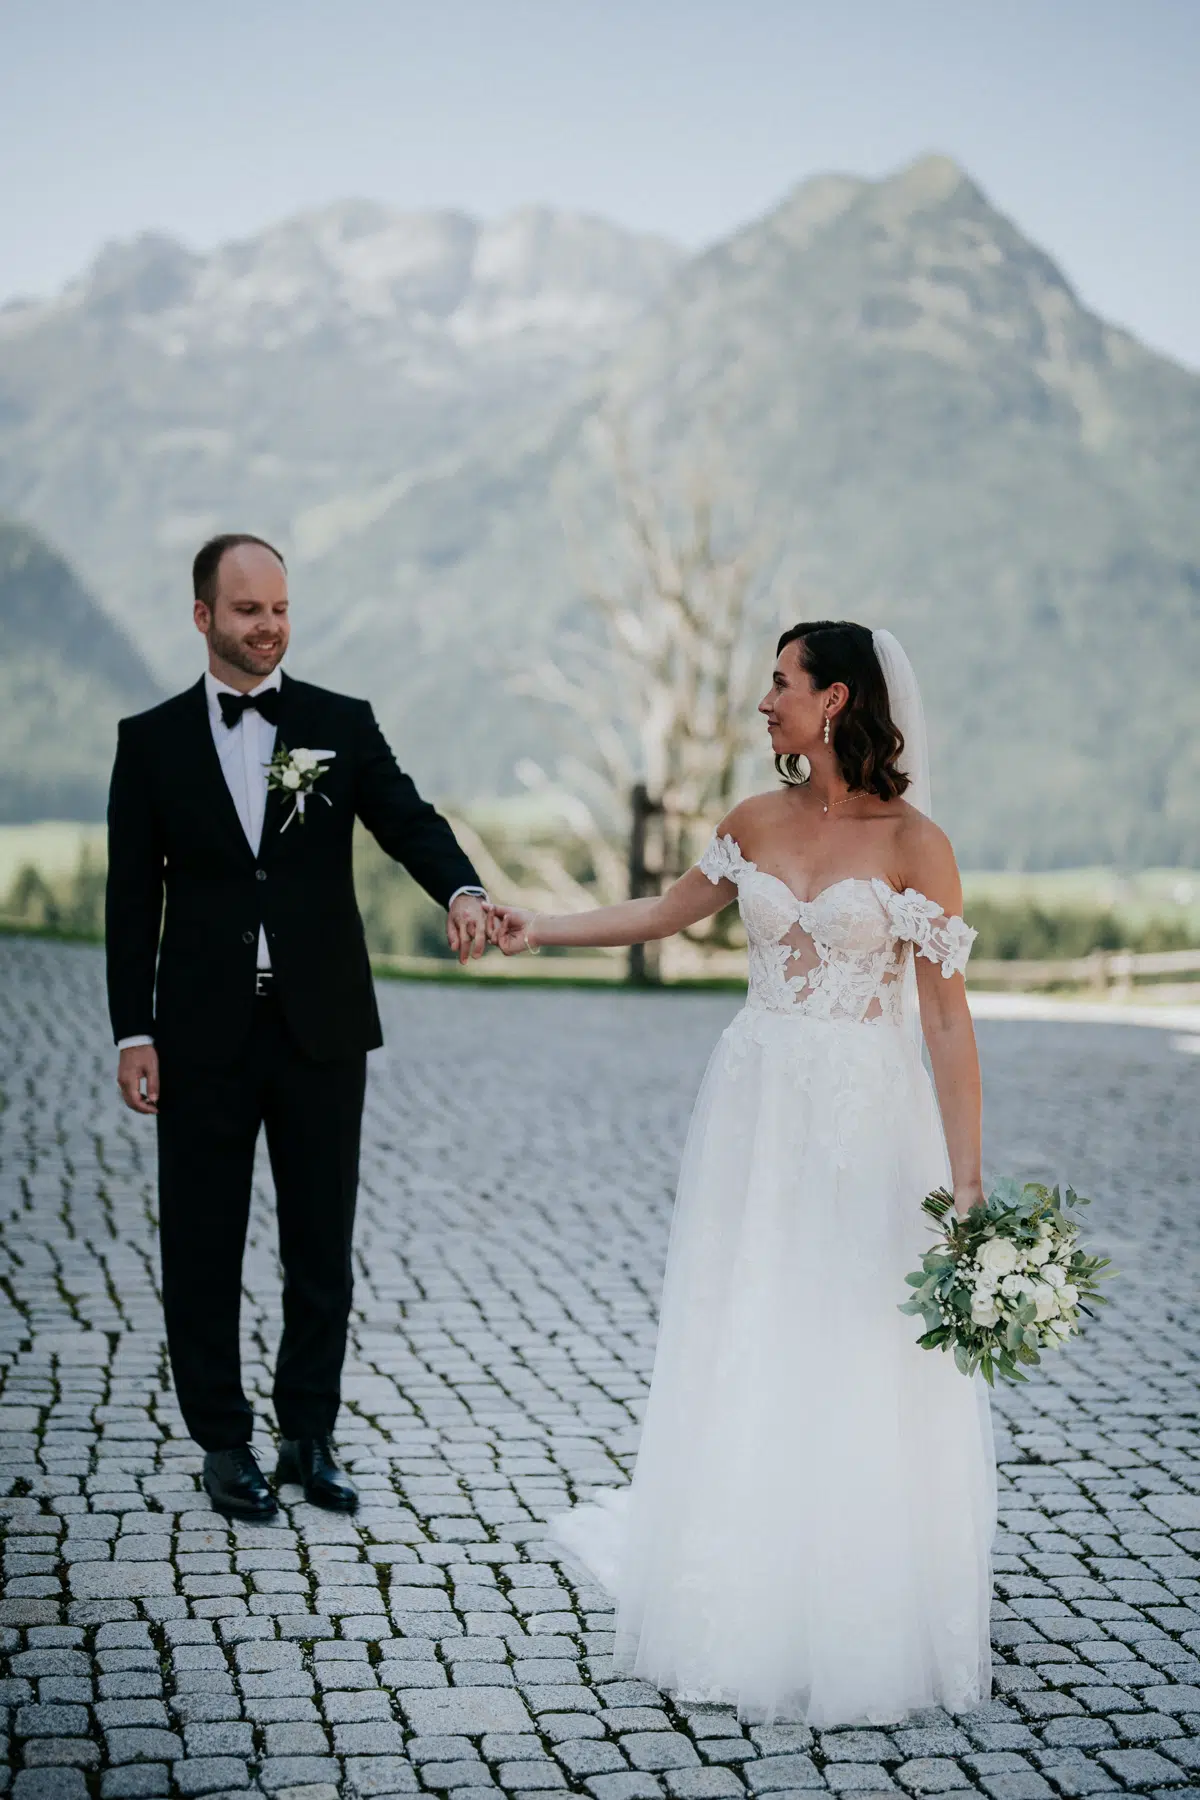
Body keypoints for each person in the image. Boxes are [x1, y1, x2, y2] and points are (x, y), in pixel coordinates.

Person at [486, 620, 996, 1727]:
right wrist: (540, 928)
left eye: (781, 683)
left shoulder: (919, 845)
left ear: (836, 699)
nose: (764, 702)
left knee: (856, 1341)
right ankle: (741, 1600)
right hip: (756, 1111)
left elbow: (949, 1028)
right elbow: (665, 914)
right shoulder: (752, 821)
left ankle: (859, 1608)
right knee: (751, 1322)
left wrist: (967, 1184)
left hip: (870, 1117)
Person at [106, 534, 489, 1520]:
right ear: (203, 618)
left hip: (321, 1028)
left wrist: (461, 886)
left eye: (280, 607)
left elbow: (408, 818)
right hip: (199, 1037)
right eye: (247, 611)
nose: (269, 625)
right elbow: (125, 903)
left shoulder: (338, 724)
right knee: (203, 1243)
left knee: (321, 1246)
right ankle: (224, 1442)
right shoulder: (147, 744)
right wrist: (131, 1031)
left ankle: (307, 1437)